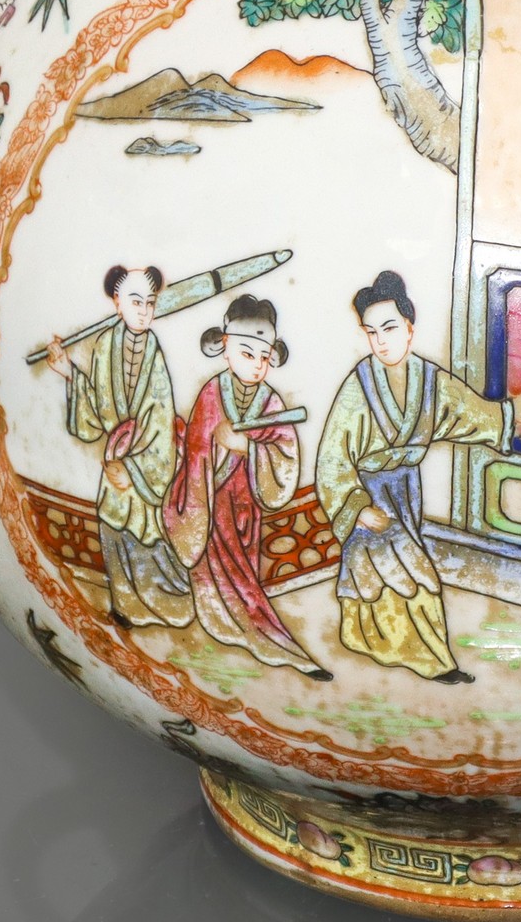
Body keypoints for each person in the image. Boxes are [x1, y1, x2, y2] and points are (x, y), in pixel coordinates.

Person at [314, 271, 518, 682]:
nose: (381, 341)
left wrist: (507, 416)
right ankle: (435, 663)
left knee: (393, 572)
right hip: (369, 495)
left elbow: (465, 411)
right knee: (406, 573)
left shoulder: (428, 380)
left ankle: (370, 642)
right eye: (372, 332)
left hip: (405, 491)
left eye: (389, 328)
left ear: (410, 327)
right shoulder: (359, 386)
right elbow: (332, 460)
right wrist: (356, 508)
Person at [165, 296, 330, 679]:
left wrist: (248, 448)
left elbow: (284, 450)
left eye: (264, 356)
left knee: (245, 576)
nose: (256, 364)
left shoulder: (271, 401)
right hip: (209, 503)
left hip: (246, 504)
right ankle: (257, 637)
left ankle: (258, 636)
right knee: (224, 578)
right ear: (224, 347)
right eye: (247, 353)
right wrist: (213, 451)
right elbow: (195, 452)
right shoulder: (211, 393)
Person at [46, 265, 192, 630]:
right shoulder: (104, 347)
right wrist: (69, 373)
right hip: (114, 460)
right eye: (135, 302)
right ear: (117, 302)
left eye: (150, 303)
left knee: (148, 534)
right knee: (113, 525)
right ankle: (126, 607)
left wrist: (133, 470)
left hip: (145, 463)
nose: (144, 311)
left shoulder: (154, 352)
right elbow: (96, 413)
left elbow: (160, 417)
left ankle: (167, 606)